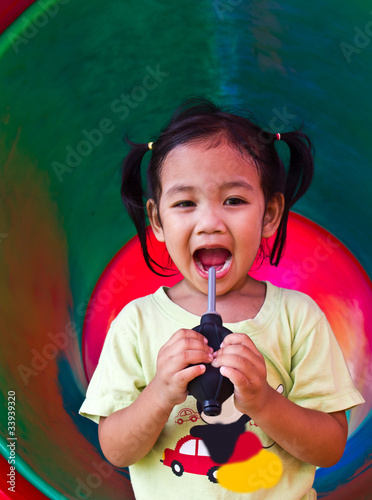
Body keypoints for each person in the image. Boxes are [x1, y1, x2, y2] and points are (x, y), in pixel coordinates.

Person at [79, 98, 364, 499]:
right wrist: (160, 393)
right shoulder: (135, 323)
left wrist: (263, 401)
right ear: (157, 221)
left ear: (269, 215)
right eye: (185, 203)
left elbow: (330, 446)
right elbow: (116, 449)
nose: (210, 222)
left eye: (234, 200)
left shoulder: (298, 318)